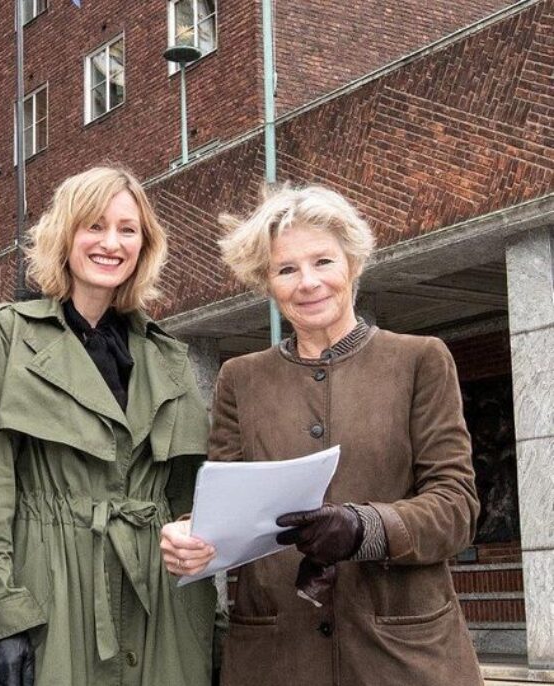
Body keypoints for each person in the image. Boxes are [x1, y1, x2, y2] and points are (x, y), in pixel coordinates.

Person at [160, 183, 481, 685]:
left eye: (323, 262)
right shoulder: (239, 379)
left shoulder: (420, 360)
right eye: (286, 269)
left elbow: (456, 508)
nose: (307, 282)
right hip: (277, 656)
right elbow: (226, 504)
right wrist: (192, 536)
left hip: (402, 654)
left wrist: (363, 527)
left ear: (352, 263)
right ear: (267, 283)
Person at [0, 166, 216, 686]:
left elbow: (192, 497)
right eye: (94, 226)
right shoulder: (8, 333)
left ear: (145, 246)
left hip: (160, 599)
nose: (111, 243)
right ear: (65, 235)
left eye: (128, 229)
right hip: (50, 588)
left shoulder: (167, 355)